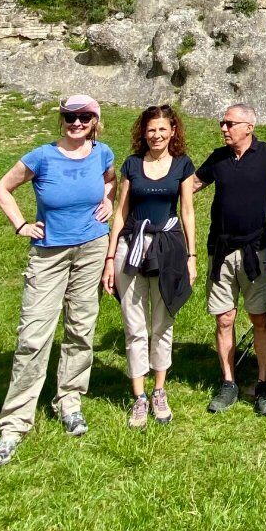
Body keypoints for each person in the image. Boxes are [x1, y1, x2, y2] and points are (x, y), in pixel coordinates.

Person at [0, 94, 116, 467]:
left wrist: (109, 200)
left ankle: (70, 400)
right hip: (49, 253)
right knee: (33, 337)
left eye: (85, 117)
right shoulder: (42, 156)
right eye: (71, 117)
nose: (77, 123)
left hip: (92, 247)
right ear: (62, 120)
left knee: (81, 328)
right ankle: (14, 424)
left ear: (95, 120)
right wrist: (22, 225)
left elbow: (111, 181)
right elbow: (3, 188)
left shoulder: (103, 152)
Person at [193, 104, 266, 416]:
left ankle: (262, 384)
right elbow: (189, 185)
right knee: (224, 318)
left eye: (229, 123)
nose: (223, 128)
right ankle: (228, 382)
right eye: (223, 122)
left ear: (248, 126)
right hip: (220, 251)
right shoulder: (218, 158)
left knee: (259, 317)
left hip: (256, 251)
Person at [102, 105, 197, 428]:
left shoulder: (182, 165)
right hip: (133, 247)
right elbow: (120, 213)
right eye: (150, 129)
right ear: (143, 132)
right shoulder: (131, 164)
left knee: (162, 322)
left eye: (162, 129)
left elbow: (187, 211)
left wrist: (192, 256)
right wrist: (110, 257)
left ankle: (159, 390)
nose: (156, 135)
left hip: (168, 248)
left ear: (173, 132)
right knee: (134, 325)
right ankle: (139, 397)